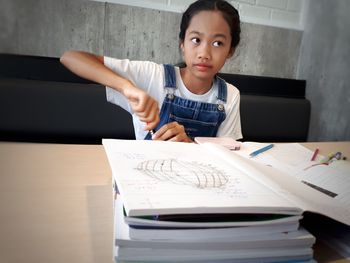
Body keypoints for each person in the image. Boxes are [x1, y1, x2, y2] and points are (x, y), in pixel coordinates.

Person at [60, 0, 242, 142]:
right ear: (182, 44)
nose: (204, 53)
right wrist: (126, 87)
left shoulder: (230, 96)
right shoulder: (152, 76)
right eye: (196, 40)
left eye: (218, 43)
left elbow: (226, 158)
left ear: (230, 50)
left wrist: (189, 144)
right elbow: (70, 57)